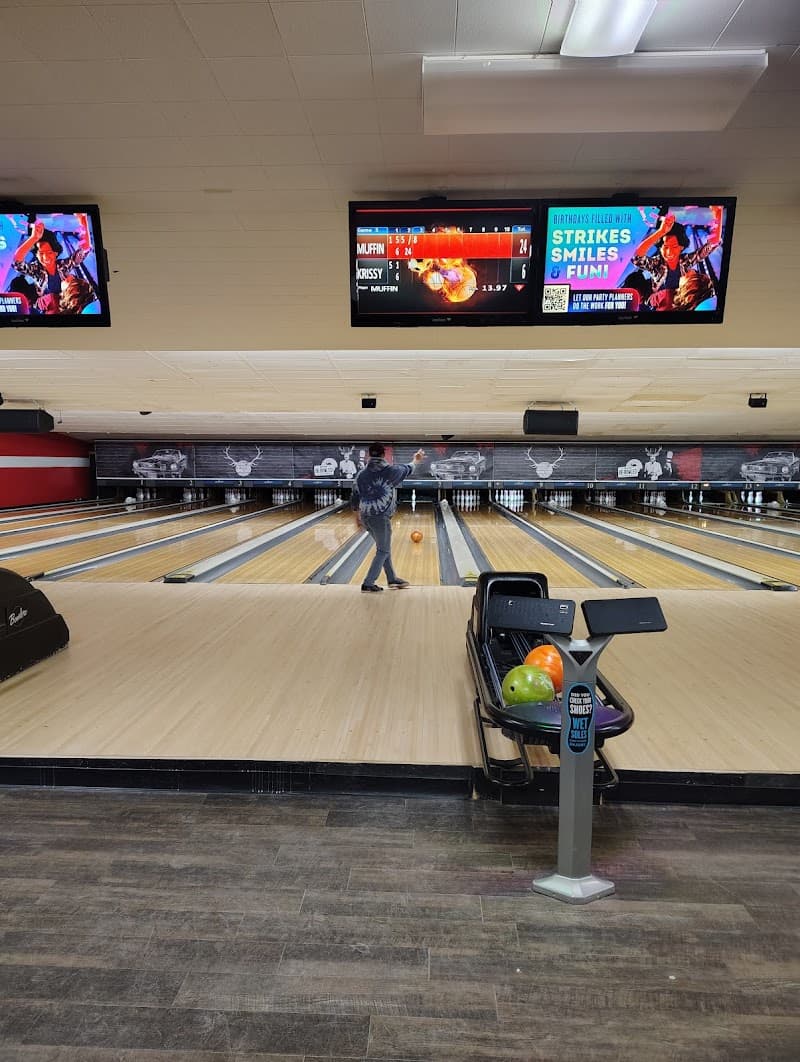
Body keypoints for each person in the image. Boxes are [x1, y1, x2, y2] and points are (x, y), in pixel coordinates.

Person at [351, 443, 425, 592]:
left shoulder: (361, 474)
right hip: (380, 517)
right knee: (383, 551)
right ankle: (368, 583)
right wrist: (416, 460)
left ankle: (392, 579)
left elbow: (354, 497)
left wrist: (357, 518)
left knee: (383, 549)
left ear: (369, 454)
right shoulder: (389, 471)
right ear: (383, 454)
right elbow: (407, 469)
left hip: (366, 516)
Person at [630, 213, 717, 311]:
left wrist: (718, 217)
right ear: (660, 248)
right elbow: (636, 258)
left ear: (681, 247)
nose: (669, 252)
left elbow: (708, 248)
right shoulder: (656, 263)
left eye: (674, 247)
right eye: (665, 247)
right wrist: (661, 232)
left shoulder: (685, 261)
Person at [12, 219, 94, 315]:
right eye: (41, 253)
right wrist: (33, 238)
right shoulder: (36, 269)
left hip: (66, 307)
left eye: (49, 252)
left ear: (56, 253)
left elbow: (84, 250)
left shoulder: (63, 265)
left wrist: (83, 220)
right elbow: (17, 263)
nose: (45, 257)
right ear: (36, 255)